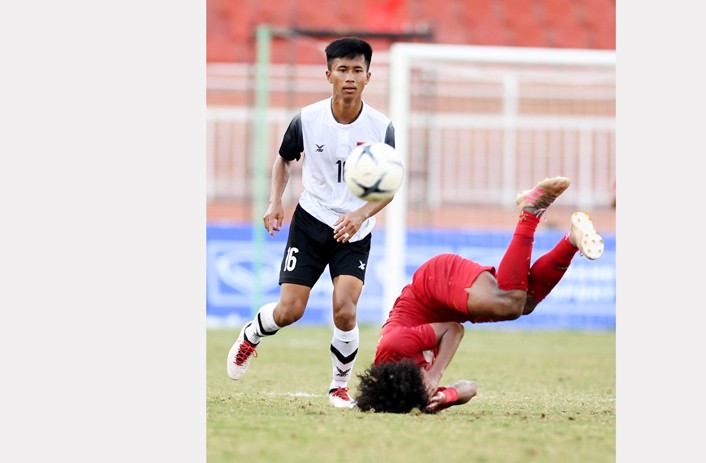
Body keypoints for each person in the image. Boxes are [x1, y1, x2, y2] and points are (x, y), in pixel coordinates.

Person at [226, 37, 395, 409]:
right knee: (290, 311)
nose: (349, 77)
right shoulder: (307, 119)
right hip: (311, 221)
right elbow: (283, 160)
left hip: (354, 230)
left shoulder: (382, 128)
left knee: (345, 308)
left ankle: (339, 386)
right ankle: (252, 334)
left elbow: (388, 189)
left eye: (357, 70)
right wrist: (275, 202)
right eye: (342, 69)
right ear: (328, 75)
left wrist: (360, 214)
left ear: (369, 76)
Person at [354, 176, 604, 413]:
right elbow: (469, 388)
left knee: (508, 303)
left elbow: (454, 329)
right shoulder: (410, 390)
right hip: (445, 308)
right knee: (522, 305)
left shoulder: (395, 347)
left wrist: (436, 373)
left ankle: (530, 212)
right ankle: (571, 240)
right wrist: (446, 397)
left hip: (433, 286)